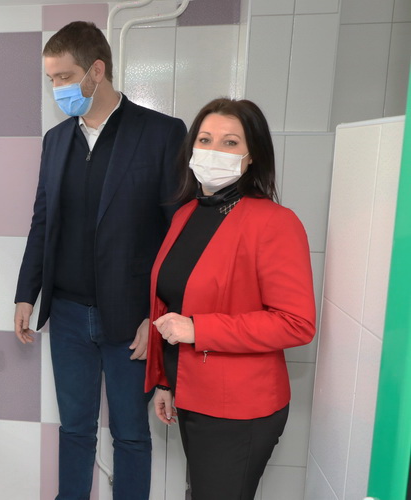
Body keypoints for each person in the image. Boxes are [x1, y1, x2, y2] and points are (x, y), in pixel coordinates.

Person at [14, 21, 186, 500]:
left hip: (131, 316)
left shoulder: (161, 134)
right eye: (51, 79)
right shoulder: (56, 141)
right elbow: (43, 221)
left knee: (130, 433)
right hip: (67, 313)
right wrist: (26, 293)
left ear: (97, 70)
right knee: (75, 429)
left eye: (65, 77)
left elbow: (177, 238)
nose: (57, 88)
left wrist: (158, 315)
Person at [144, 97, 316, 499]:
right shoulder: (187, 214)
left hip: (239, 407)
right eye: (205, 139)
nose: (213, 150)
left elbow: (297, 323)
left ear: (252, 155)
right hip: (191, 393)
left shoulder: (275, 222)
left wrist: (198, 329)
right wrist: (166, 381)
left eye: (230, 142)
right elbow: (171, 303)